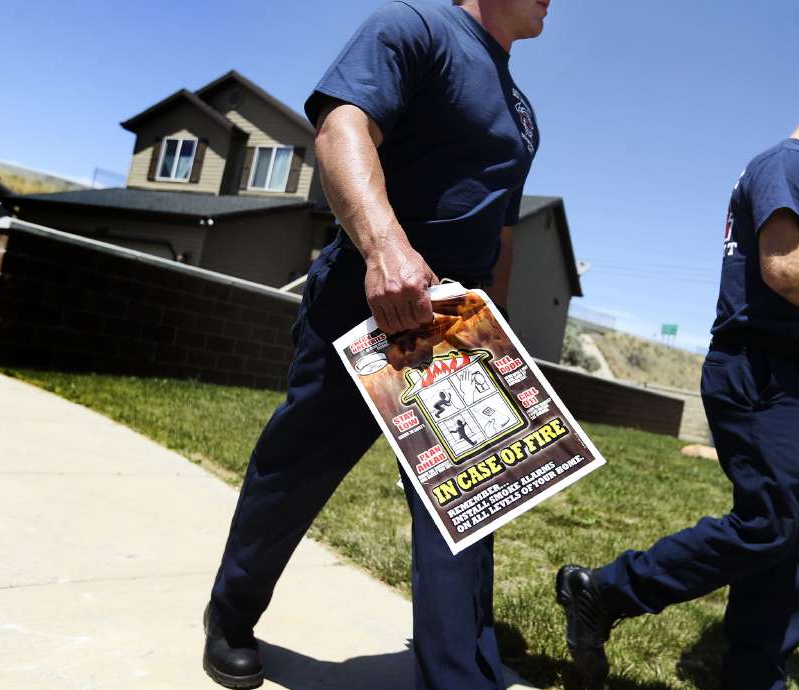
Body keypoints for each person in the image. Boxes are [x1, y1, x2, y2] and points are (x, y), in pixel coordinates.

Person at [202, 1, 550, 689]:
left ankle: (460, 674)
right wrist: (385, 248)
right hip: (373, 297)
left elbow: (500, 230)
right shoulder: (413, 28)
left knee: (467, 501)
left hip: (456, 320)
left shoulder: (523, 109)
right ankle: (231, 612)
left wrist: (499, 327)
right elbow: (341, 129)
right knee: (296, 470)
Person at [554, 63, 799, 690]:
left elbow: (787, 289)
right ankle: (604, 593)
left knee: (790, 541)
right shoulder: (789, 165)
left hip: (781, 370)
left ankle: (753, 675)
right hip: (757, 370)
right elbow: (783, 271)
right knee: (769, 523)